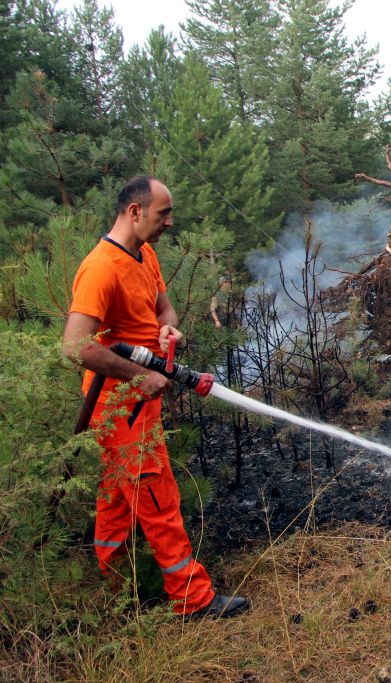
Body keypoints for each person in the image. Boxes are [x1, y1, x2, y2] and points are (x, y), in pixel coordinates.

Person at [62, 176, 249, 619]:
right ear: (134, 212)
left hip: (139, 401)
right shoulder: (100, 268)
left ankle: (114, 584)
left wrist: (168, 327)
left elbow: (162, 307)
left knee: (114, 496)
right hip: (117, 405)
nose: (169, 222)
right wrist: (137, 376)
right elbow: (75, 346)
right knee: (157, 496)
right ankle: (192, 599)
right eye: (163, 213)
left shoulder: (143, 254)